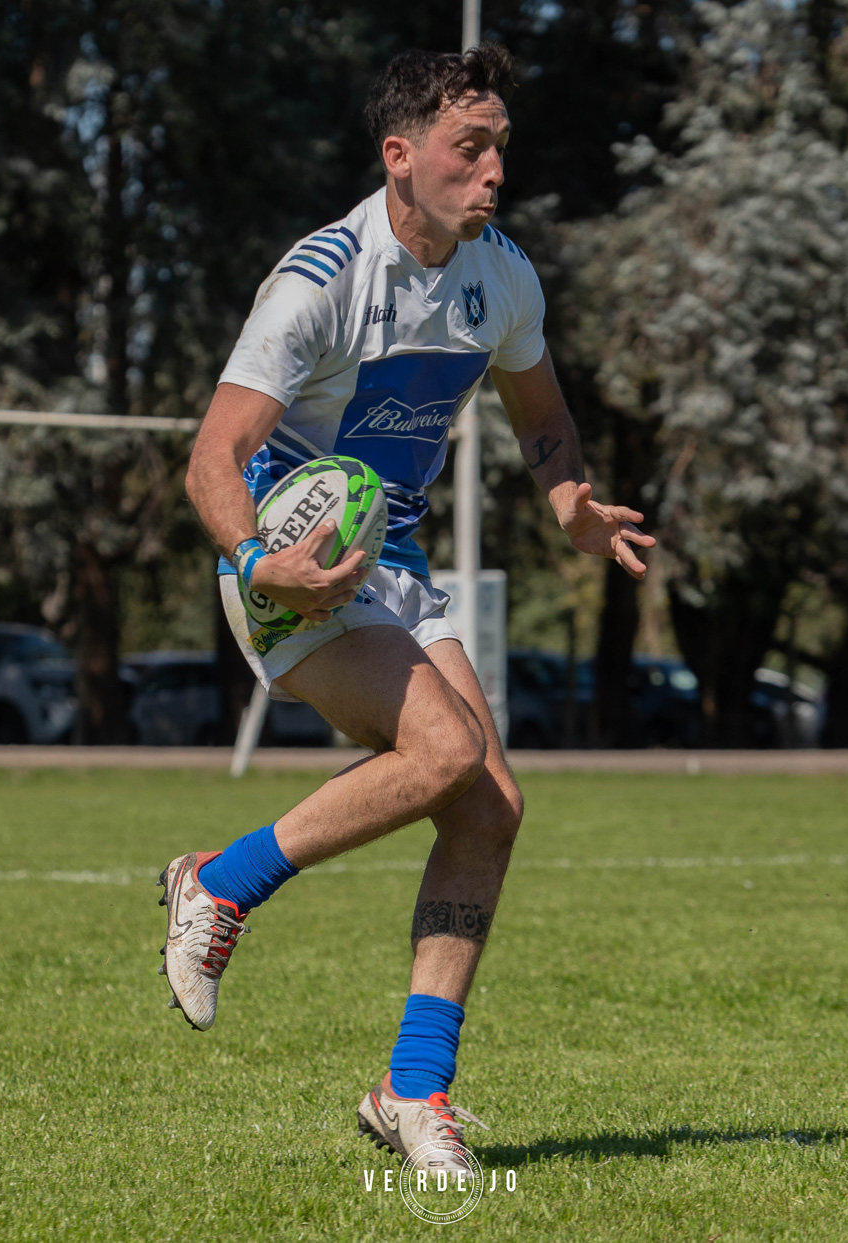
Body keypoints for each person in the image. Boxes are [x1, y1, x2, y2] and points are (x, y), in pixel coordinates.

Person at [167, 43, 652, 1176]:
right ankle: (219, 883)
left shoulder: (504, 276)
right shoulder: (323, 277)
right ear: (400, 156)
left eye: (500, 149)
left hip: (393, 566)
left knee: (490, 807)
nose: (493, 173)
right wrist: (259, 563)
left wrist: (572, 503)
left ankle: (412, 1088)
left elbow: (543, 415)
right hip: (288, 567)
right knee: (445, 748)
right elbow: (211, 458)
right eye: (468, 149)